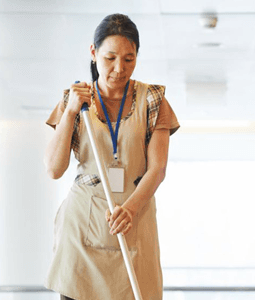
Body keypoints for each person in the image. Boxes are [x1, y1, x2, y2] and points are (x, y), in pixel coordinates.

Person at [43, 13, 179, 300]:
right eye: (110, 58)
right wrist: (69, 112)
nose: (120, 68)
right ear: (93, 53)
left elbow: (158, 169)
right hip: (82, 228)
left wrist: (129, 209)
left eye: (129, 59)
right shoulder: (74, 101)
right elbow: (54, 169)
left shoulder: (152, 99)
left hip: (135, 219)